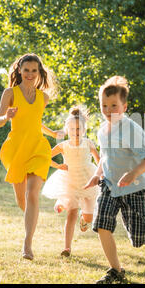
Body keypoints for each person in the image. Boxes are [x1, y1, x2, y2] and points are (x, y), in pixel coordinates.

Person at [84, 76, 145, 284]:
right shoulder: (102, 131)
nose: (108, 110)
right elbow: (104, 157)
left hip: (134, 187)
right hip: (109, 186)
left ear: (124, 107)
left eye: (113, 105)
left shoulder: (132, 129)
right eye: (104, 105)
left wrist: (133, 173)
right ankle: (116, 270)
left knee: (139, 239)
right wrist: (97, 175)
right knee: (102, 224)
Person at [0, 53, 64, 260]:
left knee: (32, 193)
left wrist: (51, 133)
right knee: (21, 199)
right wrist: (6, 116)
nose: (30, 74)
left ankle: (27, 245)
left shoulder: (43, 97)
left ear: (39, 73)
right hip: (16, 149)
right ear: (19, 70)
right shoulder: (10, 93)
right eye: (26, 70)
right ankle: (31, 219)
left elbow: (35, 121)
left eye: (34, 71)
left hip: (38, 148)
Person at [41, 105, 100, 257]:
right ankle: (67, 248)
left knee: (88, 218)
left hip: (88, 180)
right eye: (72, 129)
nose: (76, 132)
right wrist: (58, 165)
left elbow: (100, 161)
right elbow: (45, 157)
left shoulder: (89, 143)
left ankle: (84, 218)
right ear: (67, 130)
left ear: (84, 129)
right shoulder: (63, 146)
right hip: (71, 182)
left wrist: (102, 175)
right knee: (71, 213)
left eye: (79, 129)